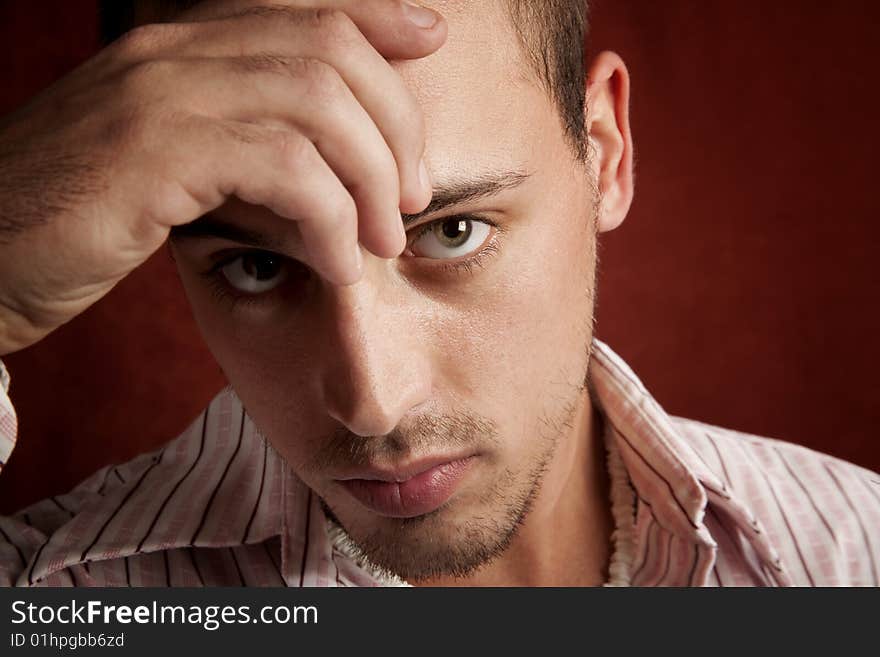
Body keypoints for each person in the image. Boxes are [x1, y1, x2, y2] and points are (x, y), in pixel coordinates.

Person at [0, 0, 877, 587]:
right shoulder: (50, 592)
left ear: (604, 153)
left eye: (452, 231)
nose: (373, 403)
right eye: (259, 267)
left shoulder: (853, 555)